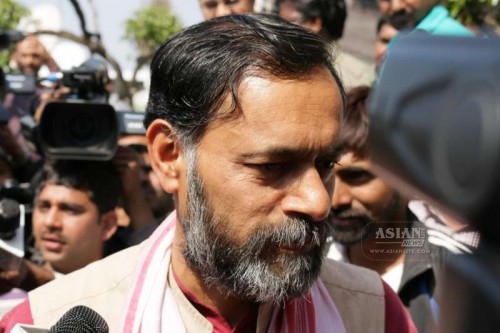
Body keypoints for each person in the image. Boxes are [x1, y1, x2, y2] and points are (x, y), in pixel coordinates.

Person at [1, 14, 416, 332]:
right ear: (168, 156)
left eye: (325, 164)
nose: (319, 201)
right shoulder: (53, 319)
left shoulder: (373, 314)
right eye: (272, 166)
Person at [326, 85, 448, 332]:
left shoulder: (451, 275)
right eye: (326, 171)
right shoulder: (304, 259)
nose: (336, 199)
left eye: (357, 176)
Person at [277, 0, 376, 89]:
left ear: (314, 23)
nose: (279, 31)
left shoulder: (358, 78)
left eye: (288, 23)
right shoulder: (276, 67)